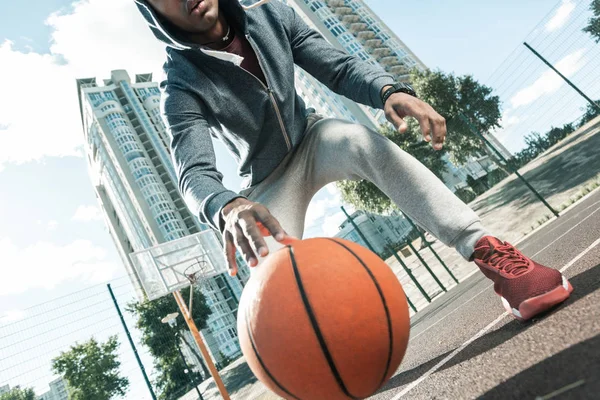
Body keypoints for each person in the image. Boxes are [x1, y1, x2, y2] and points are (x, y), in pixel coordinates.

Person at [135, 0, 572, 321]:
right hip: (265, 187)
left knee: (358, 140)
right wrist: (227, 207)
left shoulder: (272, 17)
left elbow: (339, 68)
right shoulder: (179, 84)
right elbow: (194, 171)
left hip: (316, 138)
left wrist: (388, 91)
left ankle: (487, 250)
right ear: (154, 13)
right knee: (274, 288)